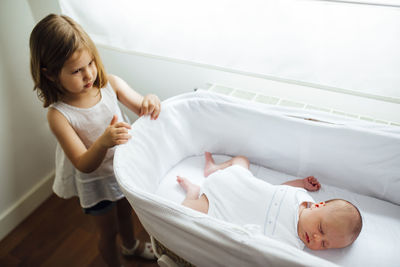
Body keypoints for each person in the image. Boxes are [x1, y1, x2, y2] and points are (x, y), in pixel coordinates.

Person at [29, 14, 160, 266]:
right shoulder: (59, 115)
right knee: (108, 232)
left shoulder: (111, 84)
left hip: (122, 169)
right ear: (51, 75)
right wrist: (103, 141)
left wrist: (150, 100)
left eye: (90, 62)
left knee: (127, 215)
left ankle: (131, 246)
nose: (89, 74)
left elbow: (143, 108)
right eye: (76, 70)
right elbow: (83, 163)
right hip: (96, 183)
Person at [177, 152, 362, 251]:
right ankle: (215, 168)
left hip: (221, 207)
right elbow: (282, 189)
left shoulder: (291, 246)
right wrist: (303, 183)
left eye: (324, 244)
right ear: (319, 206)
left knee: (185, 211)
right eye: (321, 229)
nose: (316, 238)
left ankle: (193, 192)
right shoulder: (303, 198)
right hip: (239, 183)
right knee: (242, 160)